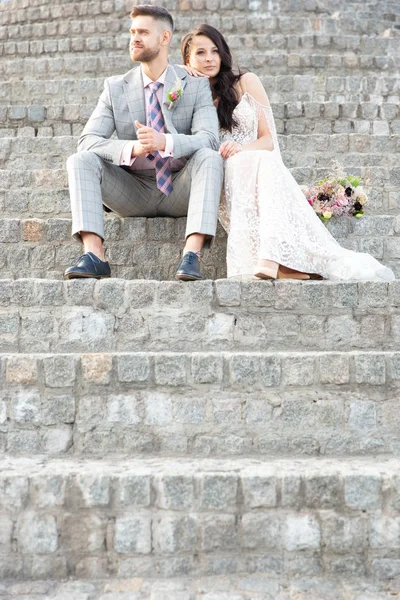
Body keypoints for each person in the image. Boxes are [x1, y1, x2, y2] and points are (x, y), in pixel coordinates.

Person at [181, 24, 395, 282]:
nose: (208, 59)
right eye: (200, 53)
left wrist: (241, 148)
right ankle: (278, 262)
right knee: (246, 162)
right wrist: (180, 76)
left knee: (260, 158)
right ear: (188, 60)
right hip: (225, 174)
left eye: (214, 51)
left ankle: (271, 258)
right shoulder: (193, 99)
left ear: (223, 54)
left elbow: (268, 140)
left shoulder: (247, 82)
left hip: (258, 162)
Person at [64, 6, 223, 281]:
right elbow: (87, 141)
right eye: (132, 32)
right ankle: (94, 255)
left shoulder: (194, 85)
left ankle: (191, 255)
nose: (134, 38)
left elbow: (209, 138)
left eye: (143, 32)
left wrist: (166, 141)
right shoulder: (115, 87)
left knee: (210, 157)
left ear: (164, 38)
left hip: (179, 188)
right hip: (131, 191)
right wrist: (132, 149)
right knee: (80, 160)